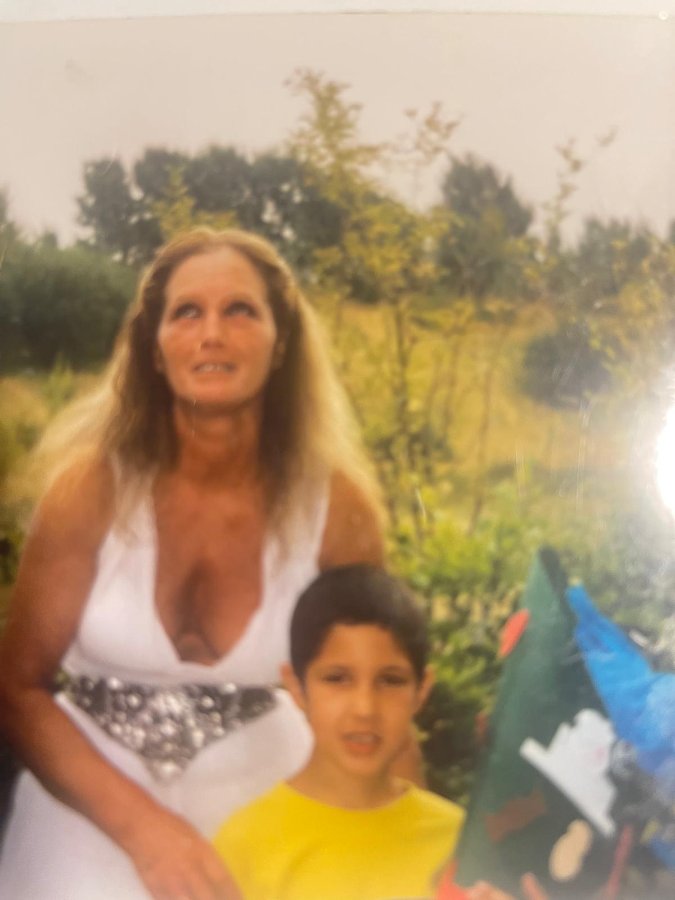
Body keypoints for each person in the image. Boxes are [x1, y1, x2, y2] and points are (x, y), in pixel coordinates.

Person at [0, 228, 385, 900]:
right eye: (186, 312)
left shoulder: (337, 509)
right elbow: (17, 687)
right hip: (85, 815)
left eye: (240, 310)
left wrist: (409, 853)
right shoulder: (89, 489)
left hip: (269, 823)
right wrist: (145, 832)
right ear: (154, 348)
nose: (212, 334)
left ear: (281, 342)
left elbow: (375, 698)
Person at [213, 564, 546, 900]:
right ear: (297, 688)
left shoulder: (460, 847)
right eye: (337, 679)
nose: (365, 708)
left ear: (421, 691)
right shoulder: (244, 847)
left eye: (390, 680)